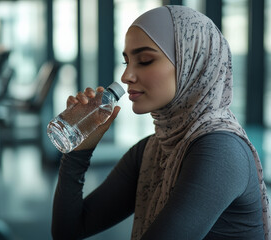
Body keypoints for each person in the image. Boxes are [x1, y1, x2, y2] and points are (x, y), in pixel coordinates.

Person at [51, 5, 271, 240]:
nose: (126, 76)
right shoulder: (154, 149)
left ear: (192, 64)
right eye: (127, 62)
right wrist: (78, 150)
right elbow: (69, 230)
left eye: (145, 60)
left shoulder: (221, 149)